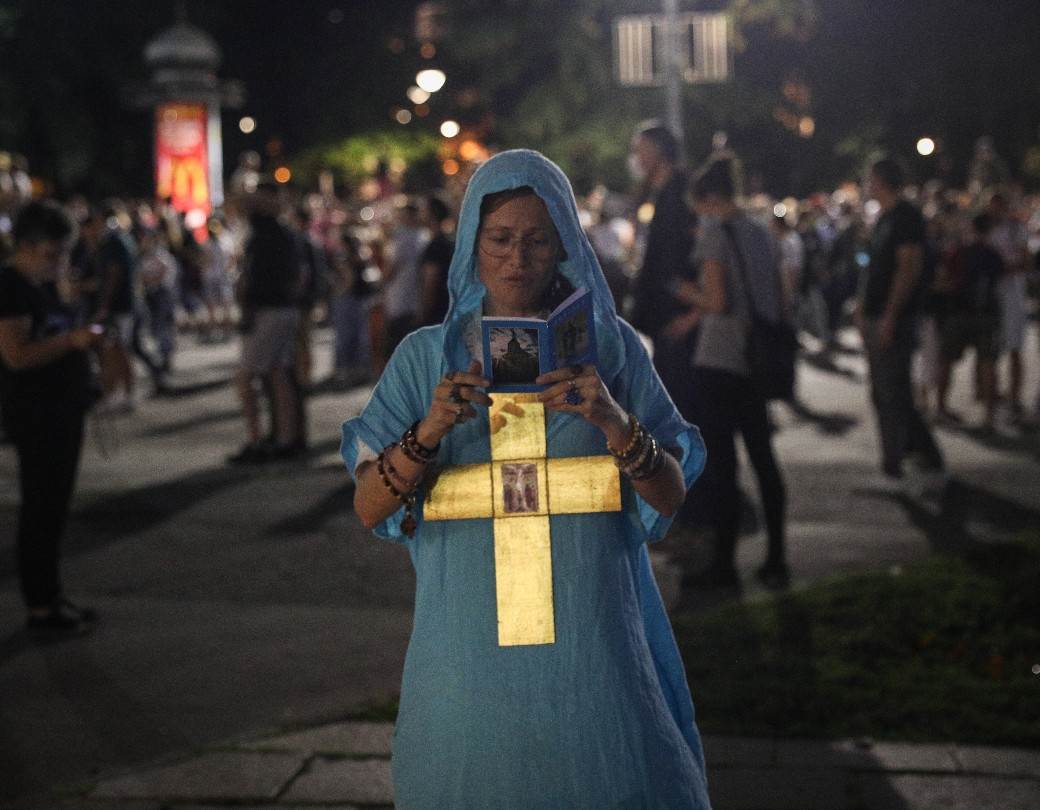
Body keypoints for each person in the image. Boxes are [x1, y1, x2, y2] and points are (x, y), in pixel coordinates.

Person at [341, 150, 711, 808]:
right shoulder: (426, 358)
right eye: (501, 239)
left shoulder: (612, 348)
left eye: (538, 240)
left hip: (592, 650)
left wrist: (614, 420)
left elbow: (671, 494)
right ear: (472, 247)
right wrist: (428, 432)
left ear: (565, 245)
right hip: (467, 653)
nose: (518, 259)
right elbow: (369, 507)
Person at [678, 157, 790, 591]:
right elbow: (780, 297)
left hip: (721, 358)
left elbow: (718, 301)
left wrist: (684, 290)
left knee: (723, 466)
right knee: (763, 459)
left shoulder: (714, 235)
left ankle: (723, 566)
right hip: (757, 360)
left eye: (700, 207)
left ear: (710, 199)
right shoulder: (762, 233)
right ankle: (777, 557)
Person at [0, 201, 102, 635]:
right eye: (53, 252)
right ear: (26, 246)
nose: (60, 261)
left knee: (55, 508)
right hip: (37, 413)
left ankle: (52, 595)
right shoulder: (10, 286)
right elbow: (17, 355)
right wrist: (73, 341)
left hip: (62, 408)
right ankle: (41, 608)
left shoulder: (41, 285)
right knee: (41, 508)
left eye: (64, 252)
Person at [856, 157, 945, 483]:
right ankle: (913, 456)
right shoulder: (885, 219)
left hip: (893, 316)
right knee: (887, 392)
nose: (867, 184)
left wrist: (891, 316)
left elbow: (908, 269)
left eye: (870, 178)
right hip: (878, 313)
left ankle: (900, 462)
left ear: (881, 180)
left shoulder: (906, 217)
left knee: (893, 393)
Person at [228, 182, 302, 463]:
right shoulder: (285, 234)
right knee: (278, 373)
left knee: (245, 376)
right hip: (284, 308)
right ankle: (285, 438)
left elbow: (249, 280)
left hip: (267, 310)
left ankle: (256, 439)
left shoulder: (261, 236)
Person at [935, 212, 1003, 429]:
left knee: (947, 360)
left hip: (959, 313)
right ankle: (989, 417)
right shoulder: (993, 255)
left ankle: (941, 407)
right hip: (985, 313)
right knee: (987, 363)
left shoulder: (959, 252)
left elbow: (946, 278)